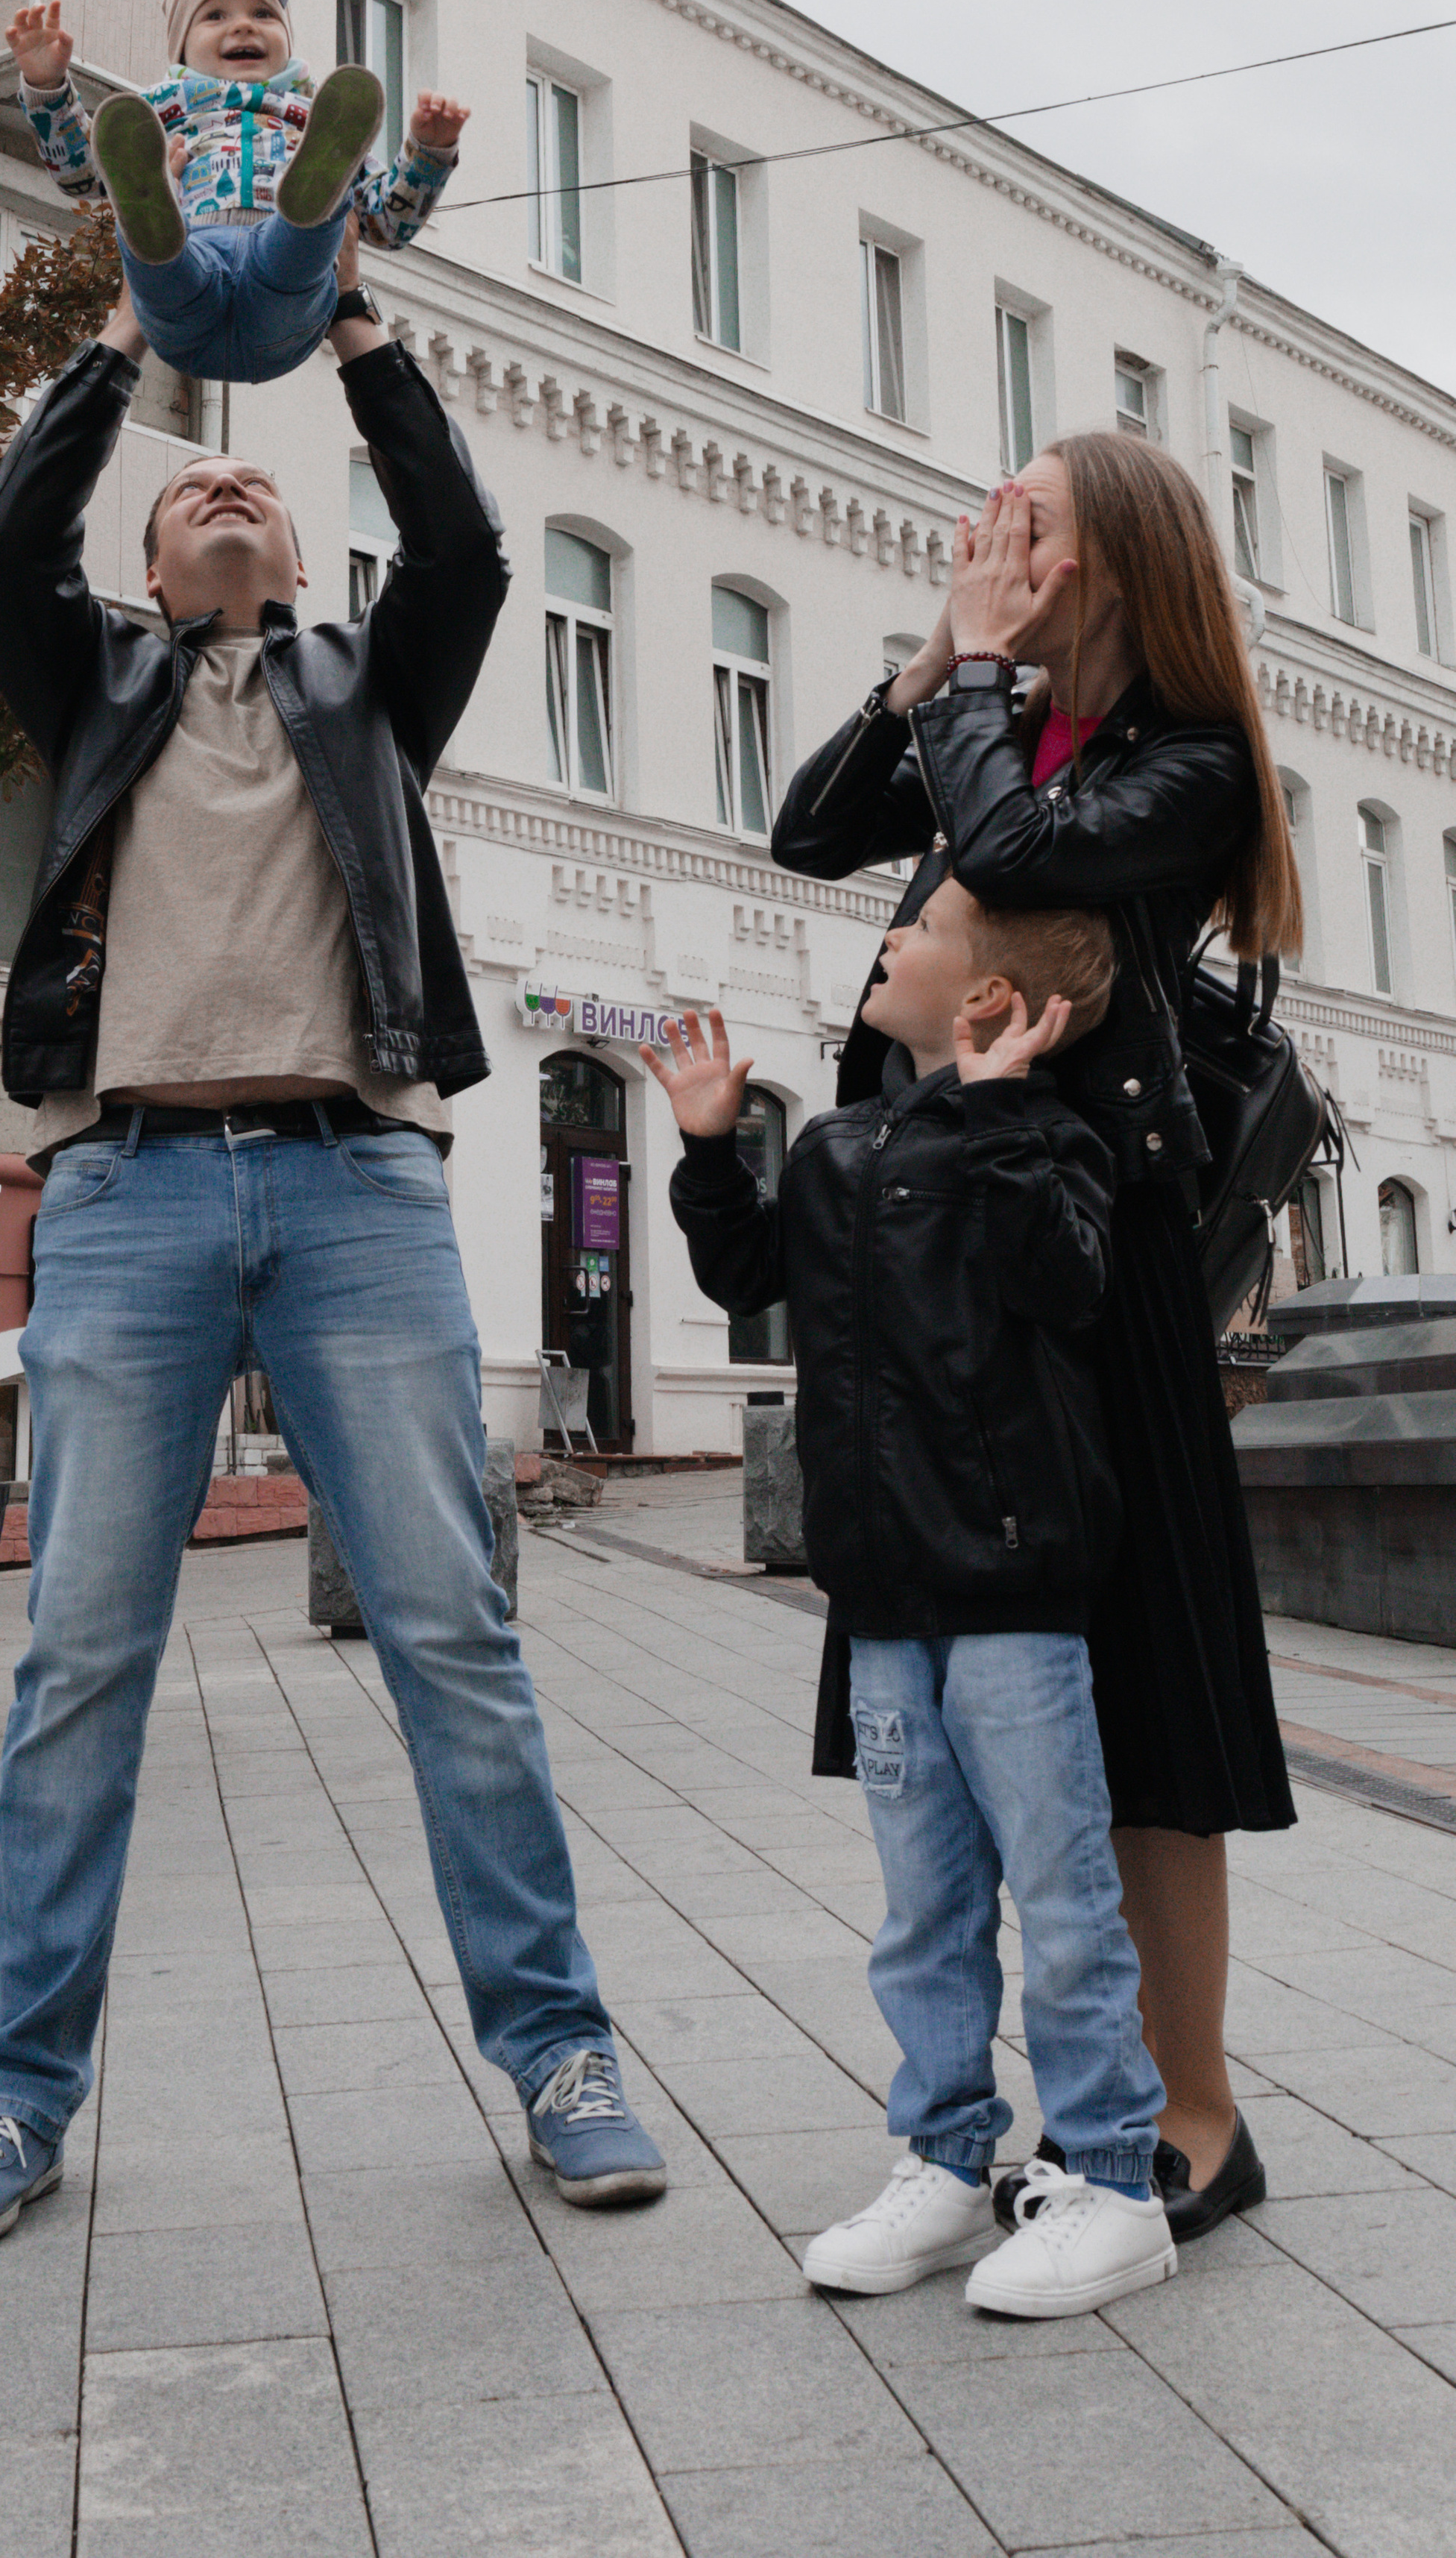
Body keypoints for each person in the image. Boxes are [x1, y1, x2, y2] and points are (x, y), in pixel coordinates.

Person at [0, 257, 664, 2249]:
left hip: (356, 1188)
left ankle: (563, 2051)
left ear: (306, 557)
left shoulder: (364, 685)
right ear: (150, 570)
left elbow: (469, 552)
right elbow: (1, 545)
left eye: (252, 490)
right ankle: (15, 2091)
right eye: (188, 496)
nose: (224, 493)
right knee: (81, 1652)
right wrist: (126, 332)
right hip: (127, 1189)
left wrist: (349, 328)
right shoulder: (92, 680)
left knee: (452, 1631)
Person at [772, 436, 1303, 2245]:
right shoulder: (989, 716)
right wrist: (942, 658)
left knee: (1140, 1695)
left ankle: (1190, 2111)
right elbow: (807, 827)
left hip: (1099, 1262)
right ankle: (979, 2115)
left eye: (1028, 520)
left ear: (1112, 563)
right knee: (953, 1689)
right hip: (944, 1272)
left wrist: (982, 683)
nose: (989, 533)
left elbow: (1009, 852)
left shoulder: (1186, 760)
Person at [649, 887, 1178, 2318]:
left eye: (923, 926)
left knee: (1063, 1901)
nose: (890, 937)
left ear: (991, 998)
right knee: (925, 1909)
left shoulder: (1048, 1140)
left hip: (1011, 1589)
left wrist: (999, 1116)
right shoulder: (838, 1144)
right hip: (882, 1600)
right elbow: (749, 1275)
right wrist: (709, 1150)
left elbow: (1065, 1278)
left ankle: (1117, 2182)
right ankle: (946, 2160)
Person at [7, 0, 467, 386]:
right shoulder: (157, 111)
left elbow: (387, 223)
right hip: (196, 267)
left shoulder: (319, 120)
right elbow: (82, 174)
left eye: (264, 14)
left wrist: (429, 154)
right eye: (215, 15)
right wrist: (48, 87)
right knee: (168, 260)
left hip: (281, 305)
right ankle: (154, 225)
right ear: (182, 47)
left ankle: (310, 210)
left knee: (301, 246)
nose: (244, 26)